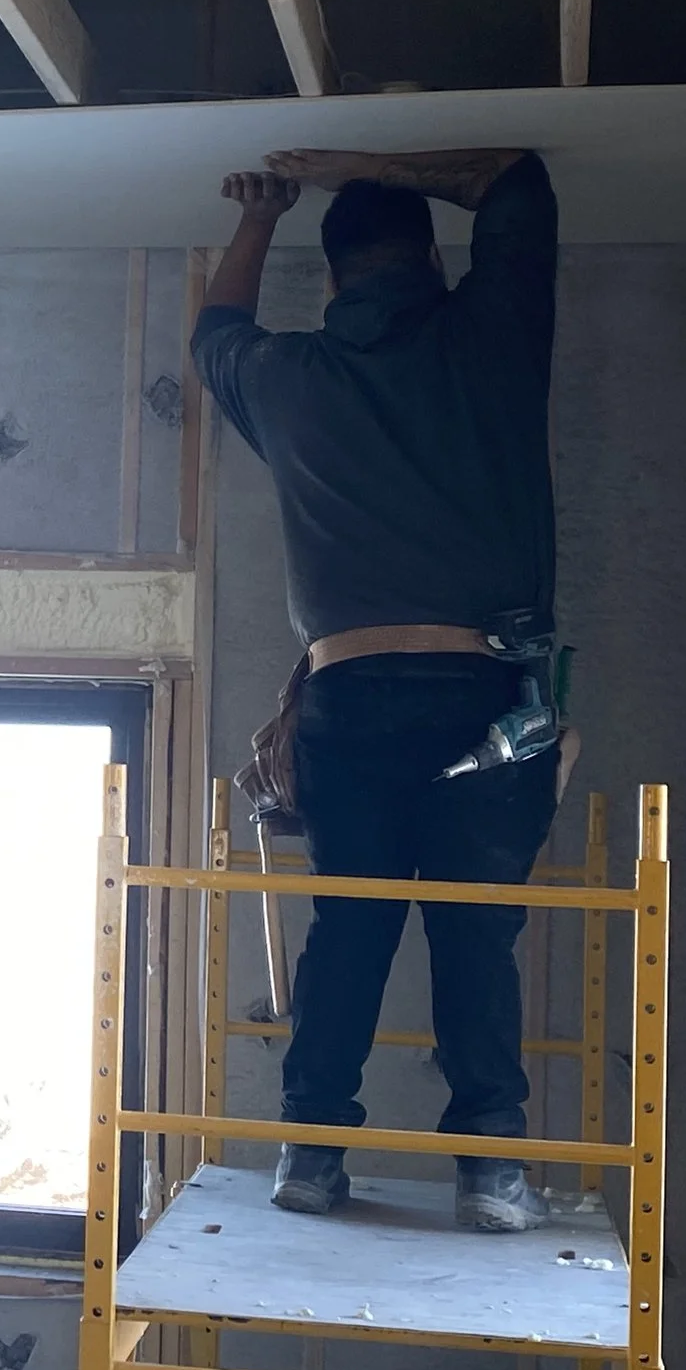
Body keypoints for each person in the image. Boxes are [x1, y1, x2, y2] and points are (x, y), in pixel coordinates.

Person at [195, 147, 563, 1234]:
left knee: (347, 929)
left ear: (333, 279)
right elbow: (518, 181)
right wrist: (355, 161)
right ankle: (490, 1169)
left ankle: (311, 1155)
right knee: (473, 931)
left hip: (346, 699)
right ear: (431, 259)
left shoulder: (291, 376)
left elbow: (214, 339)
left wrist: (262, 210)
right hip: (488, 694)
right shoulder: (491, 331)